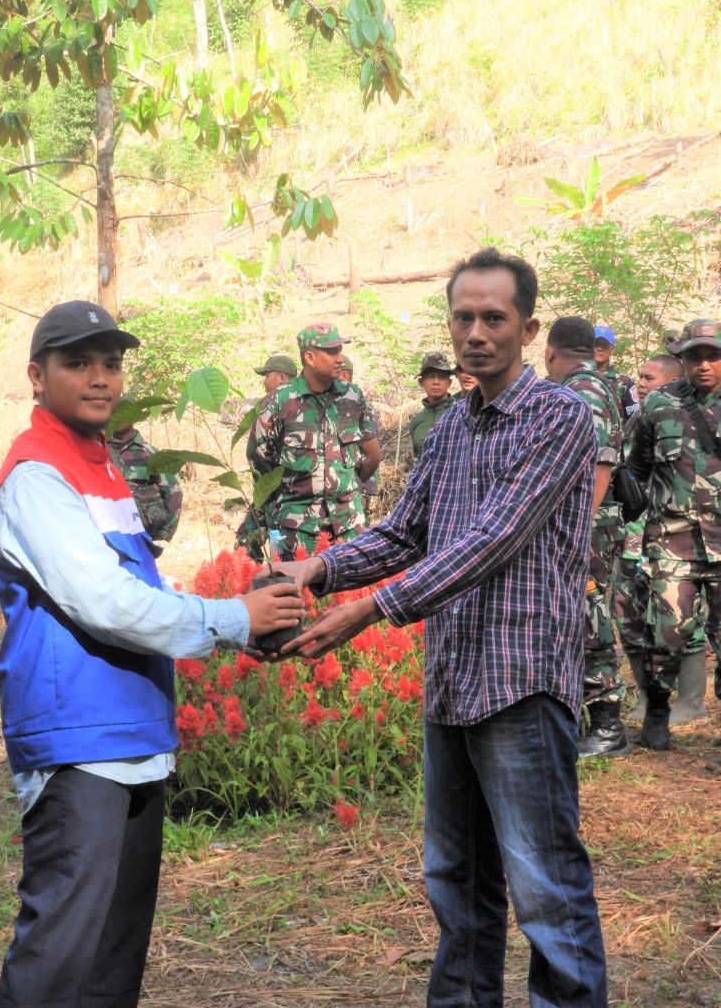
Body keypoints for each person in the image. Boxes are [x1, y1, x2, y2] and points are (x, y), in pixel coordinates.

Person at [269, 248, 608, 1007]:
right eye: (463, 318)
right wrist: (317, 569)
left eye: (494, 318)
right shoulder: (452, 425)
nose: (476, 333)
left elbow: (493, 538)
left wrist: (371, 608)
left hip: (520, 684)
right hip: (453, 680)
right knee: (457, 883)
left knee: (547, 890)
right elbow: (403, 532)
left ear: (528, 328)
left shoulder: (560, 418)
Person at [0, 300, 303, 1008]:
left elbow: (140, 592)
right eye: (78, 363)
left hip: (131, 732)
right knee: (60, 955)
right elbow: (107, 602)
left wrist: (245, 620)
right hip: (78, 739)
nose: (100, 377)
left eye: (111, 362)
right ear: (36, 375)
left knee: (111, 960)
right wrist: (233, 619)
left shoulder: (101, 467)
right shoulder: (37, 476)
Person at [627, 318, 721, 751]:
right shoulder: (658, 405)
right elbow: (638, 467)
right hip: (672, 542)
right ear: (682, 360)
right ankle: (659, 710)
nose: (703, 365)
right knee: (666, 636)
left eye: (712, 356)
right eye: (694, 356)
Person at [545, 316, 629, 759]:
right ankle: (576, 717)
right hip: (583, 524)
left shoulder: (584, 392)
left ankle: (608, 724)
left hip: (587, 527)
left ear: (550, 352)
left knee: (588, 618)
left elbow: (600, 464)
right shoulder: (588, 387)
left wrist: (578, 528)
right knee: (573, 616)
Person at [615, 355, 708, 725]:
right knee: (633, 615)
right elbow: (632, 472)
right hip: (641, 536)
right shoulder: (641, 416)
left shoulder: (687, 414)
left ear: (671, 380)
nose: (640, 383)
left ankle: (690, 701)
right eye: (639, 376)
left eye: (649, 377)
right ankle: (649, 700)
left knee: (684, 621)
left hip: (682, 539)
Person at [249, 322, 381, 560]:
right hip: (297, 530)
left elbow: (373, 455)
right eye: (331, 352)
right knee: (295, 584)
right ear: (309, 357)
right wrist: (284, 504)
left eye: (339, 350)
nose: (339, 358)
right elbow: (259, 460)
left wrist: (348, 487)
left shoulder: (352, 396)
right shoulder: (280, 401)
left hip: (348, 526)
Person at [235, 354, 297, 560]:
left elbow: (258, 451)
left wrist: (268, 488)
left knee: (274, 545)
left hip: (274, 492)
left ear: (282, 377)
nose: (264, 381)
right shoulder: (309, 399)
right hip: (298, 491)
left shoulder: (275, 400)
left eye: (267, 375)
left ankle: (268, 572)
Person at [108, 403, 183, 552]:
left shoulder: (150, 454)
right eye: (116, 412)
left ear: (134, 416)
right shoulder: (97, 450)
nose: (121, 417)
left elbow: (173, 492)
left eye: (125, 412)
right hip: (108, 534)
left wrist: (162, 532)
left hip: (140, 536)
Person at [336, 353, 382, 525]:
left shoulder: (360, 405)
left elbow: (372, 454)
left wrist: (359, 486)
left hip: (358, 485)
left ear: (345, 375)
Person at [408, 351, 457, 458]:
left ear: (449, 383)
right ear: (421, 382)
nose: (436, 382)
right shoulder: (416, 420)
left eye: (442, 377)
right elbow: (416, 458)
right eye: (430, 377)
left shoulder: (461, 414)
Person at [593, 324, 640, 424]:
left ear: (612, 350)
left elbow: (633, 418)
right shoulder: (576, 376)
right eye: (595, 344)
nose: (599, 348)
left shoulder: (624, 382)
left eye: (604, 345)